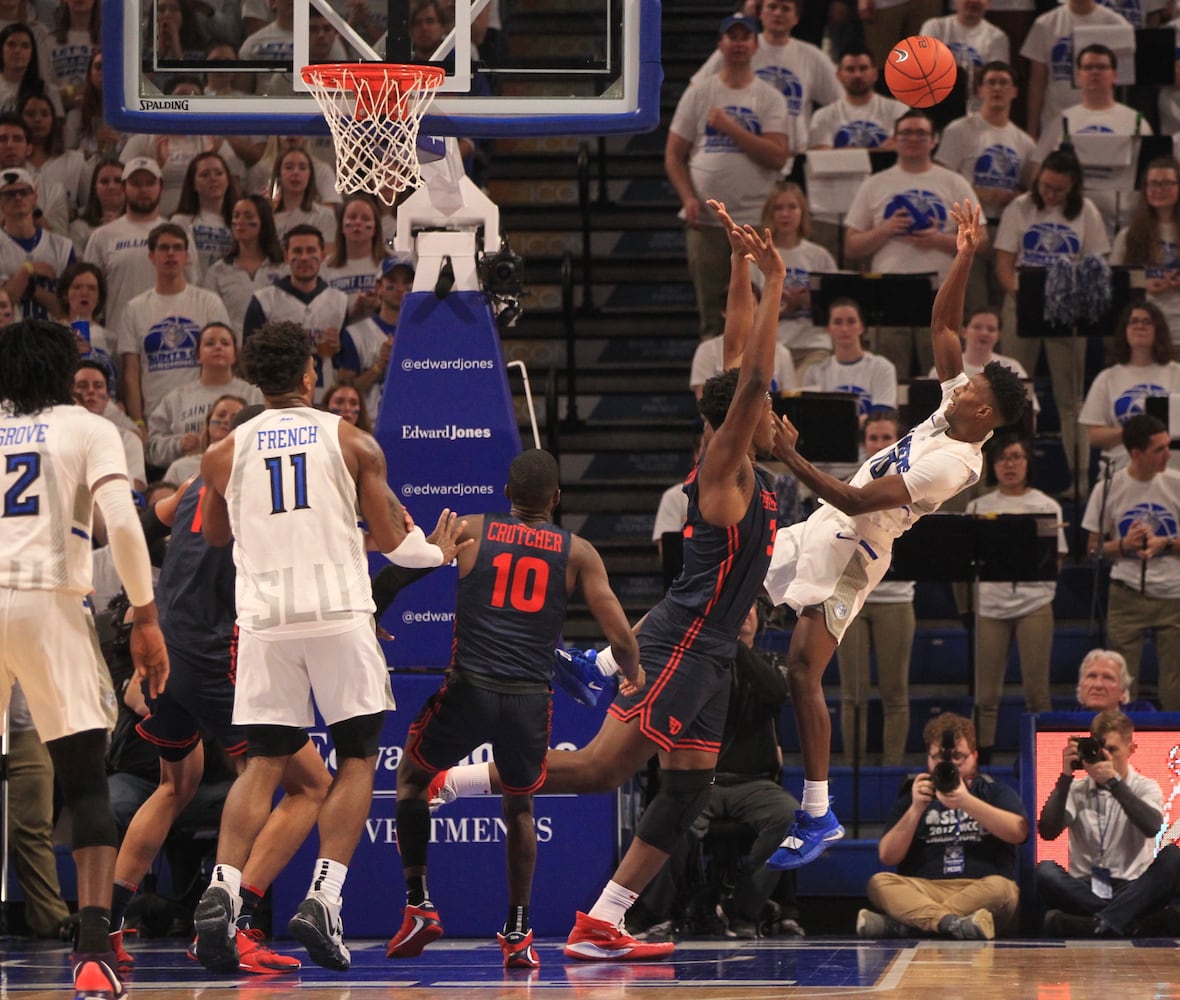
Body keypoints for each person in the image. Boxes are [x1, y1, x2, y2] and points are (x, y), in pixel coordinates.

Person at [432, 202, 786, 961]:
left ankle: (604, 920)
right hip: (683, 641)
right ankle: (454, 780)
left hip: (713, 650)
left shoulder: (743, 457)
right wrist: (778, 277)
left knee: (688, 786)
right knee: (598, 771)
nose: (774, 409)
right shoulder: (726, 468)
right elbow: (753, 371)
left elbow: (734, 355)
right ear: (742, 420)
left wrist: (736, 264)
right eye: (766, 406)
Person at [192, 319, 470, 972]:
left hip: (264, 618)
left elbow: (210, 535)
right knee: (355, 757)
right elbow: (395, 541)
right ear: (311, 376)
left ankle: (222, 887)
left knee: (263, 764)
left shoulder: (223, 452)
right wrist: (439, 552)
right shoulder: (351, 441)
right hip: (340, 613)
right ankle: (323, 896)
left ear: (255, 382)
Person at [761, 199, 1027, 870]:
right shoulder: (956, 407)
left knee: (802, 671)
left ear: (986, 412)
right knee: (733, 579)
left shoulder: (955, 464)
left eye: (972, 389)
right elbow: (942, 320)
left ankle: (818, 815)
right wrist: (964, 253)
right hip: (829, 524)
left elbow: (855, 496)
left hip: (859, 549)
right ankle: (614, 665)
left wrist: (788, 456)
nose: (960, 384)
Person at [386, 448, 641, 968]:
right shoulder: (579, 553)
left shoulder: (474, 527)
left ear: (507, 494)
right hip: (529, 701)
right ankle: (519, 930)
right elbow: (619, 634)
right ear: (556, 499)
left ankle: (419, 904)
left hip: (470, 688)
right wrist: (631, 673)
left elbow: (412, 567)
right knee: (521, 806)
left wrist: (373, 607)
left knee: (412, 779)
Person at [109, 433, 331, 976]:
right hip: (217, 662)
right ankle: (238, 916)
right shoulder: (271, 500)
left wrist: (144, 606)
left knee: (174, 785)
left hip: (164, 649)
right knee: (311, 785)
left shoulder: (191, 483)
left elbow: (145, 529)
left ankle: (107, 930)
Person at [0, 317, 169, 1000]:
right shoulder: (87, 426)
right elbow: (124, 522)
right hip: (46, 600)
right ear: (69, 372)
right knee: (85, 779)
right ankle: (94, 947)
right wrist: (146, 614)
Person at [625, 603, 802, 941]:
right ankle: (651, 912)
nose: (744, 615)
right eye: (739, 610)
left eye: (749, 611)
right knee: (671, 820)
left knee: (790, 816)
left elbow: (776, 693)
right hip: (701, 782)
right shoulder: (697, 666)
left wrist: (732, 643)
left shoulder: (773, 663)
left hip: (755, 783)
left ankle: (744, 910)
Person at [664, 13, 790, 340]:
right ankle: (719, 387)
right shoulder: (700, 93)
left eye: (744, 37)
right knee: (713, 314)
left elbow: (778, 156)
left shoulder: (769, 97)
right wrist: (688, 197)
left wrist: (730, 128)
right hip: (707, 223)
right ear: (721, 45)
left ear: (755, 45)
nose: (738, 43)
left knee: (760, 308)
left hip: (756, 222)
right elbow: (673, 155)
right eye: (731, 37)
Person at [993, 148, 1109, 489]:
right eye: (1045, 185)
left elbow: (1095, 266)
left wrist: (1063, 302)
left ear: (1073, 187)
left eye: (1058, 189)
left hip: (1067, 309)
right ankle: (1007, 479)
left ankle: (1081, 480)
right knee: (1012, 393)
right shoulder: (1021, 208)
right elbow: (1003, 263)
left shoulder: (1086, 211)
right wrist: (1023, 297)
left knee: (1070, 399)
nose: (1049, 193)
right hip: (1022, 300)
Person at [856, 712, 1028, 940]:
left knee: (1003, 890)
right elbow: (888, 856)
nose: (949, 764)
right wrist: (916, 808)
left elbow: (1019, 832)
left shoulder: (992, 791)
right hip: (926, 889)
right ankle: (951, 923)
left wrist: (966, 801)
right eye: (939, 757)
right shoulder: (914, 796)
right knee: (879, 882)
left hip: (981, 889)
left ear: (975, 756)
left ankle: (908, 925)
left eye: (958, 756)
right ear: (928, 758)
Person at [843, 109, 984, 379]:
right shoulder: (875, 184)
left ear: (934, 140)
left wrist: (937, 239)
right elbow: (851, 246)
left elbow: (981, 240)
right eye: (906, 133)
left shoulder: (953, 182)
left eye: (921, 133)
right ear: (894, 139)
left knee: (943, 374)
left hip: (941, 290)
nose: (913, 138)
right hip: (889, 292)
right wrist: (885, 229)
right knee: (890, 375)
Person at [966, 433, 1067, 759]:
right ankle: (981, 762)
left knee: (1037, 692)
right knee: (986, 695)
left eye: (1016, 457)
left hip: (1034, 604)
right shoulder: (979, 506)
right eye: (1002, 459)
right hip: (991, 606)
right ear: (992, 466)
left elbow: (1057, 560)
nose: (1009, 464)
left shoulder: (1046, 506)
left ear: (1027, 462)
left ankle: (1047, 760)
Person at [1037, 710, 1179, 936]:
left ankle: (1095, 924)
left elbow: (1151, 827)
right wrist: (1065, 777)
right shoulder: (1076, 790)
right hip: (1085, 888)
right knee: (1045, 871)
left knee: (1173, 856)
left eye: (1113, 750)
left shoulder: (1145, 786)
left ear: (1131, 750)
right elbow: (1048, 831)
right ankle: (1124, 922)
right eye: (1100, 750)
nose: (1106, 757)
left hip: (1133, 887)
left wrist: (1114, 783)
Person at [1082, 414, 1180, 710]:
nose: (1168, 454)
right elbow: (1092, 549)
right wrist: (1125, 545)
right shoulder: (1108, 487)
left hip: (1173, 594)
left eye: (1168, 446)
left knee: (1174, 683)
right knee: (1122, 683)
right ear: (1136, 453)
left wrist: (1168, 543)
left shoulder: (1176, 483)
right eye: (1159, 449)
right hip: (1126, 595)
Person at [835, 409, 915, 767]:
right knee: (853, 692)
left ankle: (891, 772)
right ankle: (854, 773)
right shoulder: (846, 482)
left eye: (887, 438)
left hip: (895, 599)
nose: (880, 445)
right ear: (863, 443)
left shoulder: (919, 482)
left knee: (895, 692)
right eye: (874, 438)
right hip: (849, 594)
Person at [934, 61, 1034, 313]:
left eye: (1004, 83)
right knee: (972, 302)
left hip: (1006, 230)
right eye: (991, 82)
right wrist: (980, 193)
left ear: (1014, 92)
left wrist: (1013, 196)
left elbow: (1032, 191)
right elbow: (941, 178)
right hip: (970, 227)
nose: (997, 88)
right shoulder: (959, 131)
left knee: (1001, 304)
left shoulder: (1024, 141)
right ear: (980, 90)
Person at [114, 222, 231, 428]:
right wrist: (138, 422)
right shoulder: (134, 308)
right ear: (151, 256)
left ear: (186, 257)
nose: (171, 253)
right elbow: (131, 374)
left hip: (204, 414)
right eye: (163, 248)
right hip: (157, 416)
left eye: (177, 248)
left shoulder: (209, 302)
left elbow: (225, 362)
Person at [1028, 44, 1152, 238]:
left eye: (1102, 67)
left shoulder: (1136, 121)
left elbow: (1150, 173)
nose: (1095, 72)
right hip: (1072, 221)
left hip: (1124, 222)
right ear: (1078, 76)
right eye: (1088, 67)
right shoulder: (1062, 120)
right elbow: (1038, 170)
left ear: (1115, 75)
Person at [689, 0, 840, 156]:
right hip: (743, 153)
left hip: (794, 156)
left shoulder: (812, 56)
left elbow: (841, 102)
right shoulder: (739, 47)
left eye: (785, 9)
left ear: (796, 18)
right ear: (760, 13)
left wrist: (821, 139)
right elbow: (696, 88)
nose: (777, 13)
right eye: (772, 7)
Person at [241, 223, 348, 404]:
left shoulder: (339, 301)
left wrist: (339, 349)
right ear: (286, 256)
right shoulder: (264, 300)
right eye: (297, 251)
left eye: (311, 250)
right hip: (278, 397)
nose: (304, 257)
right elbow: (250, 358)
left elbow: (348, 363)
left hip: (326, 395)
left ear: (322, 256)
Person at [748, 181, 836, 379]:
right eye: (778, 208)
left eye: (792, 207)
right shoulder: (757, 257)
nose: (785, 214)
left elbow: (836, 305)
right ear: (769, 213)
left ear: (802, 212)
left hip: (814, 345)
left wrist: (808, 301)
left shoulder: (819, 255)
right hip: (773, 346)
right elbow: (746, 308)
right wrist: (779, 310)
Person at [1079, 302, 1180, 473]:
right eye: (1133, 321)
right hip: (1121, 468)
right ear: (1124, 330)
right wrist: (1133, 432)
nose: (1140, 326)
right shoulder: (1107, 378)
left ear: (1159, 330)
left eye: (1147, 322)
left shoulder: (1176, 373)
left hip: (1171, 470)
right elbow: (1094, 436)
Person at [146, 321, 260, 471]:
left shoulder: (253, 394)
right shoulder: (176, 398)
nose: (218, 347)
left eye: (225, 343)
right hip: (188, 473)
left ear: (235, 356)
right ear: (197, 355)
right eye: (210, 343)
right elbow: (151, 449)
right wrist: (178, 445)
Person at [1019, 0, 1130, 140]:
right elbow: (1037, 82)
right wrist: (1032, 131)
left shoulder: (1115, 23)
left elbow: (1123, 79)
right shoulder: (1045, 23)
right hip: (1055, 119)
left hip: (1100, 122)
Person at [1111, 157, 1180, 351]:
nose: (1158, 189)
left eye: (1166, 183)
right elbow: (1115, 281)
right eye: (1152, 183)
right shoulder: (1128, 235)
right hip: (1144, 333)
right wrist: (1144, 284)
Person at [200, 194, 286, 337]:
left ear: (264, 221)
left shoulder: (283, 268)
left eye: (248, 216)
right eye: (236, 216)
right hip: (233, 351)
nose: (240, 221)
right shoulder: (218, 271)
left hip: (274, 351)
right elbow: (208, 316)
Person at [337, 255, 411, 418]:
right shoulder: (356, 333)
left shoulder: (422, 334)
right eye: (392, 282)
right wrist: (380, 364)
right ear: (379, 287)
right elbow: (350, 389)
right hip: (371, 422)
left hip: (411, 423)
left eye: (407, 283)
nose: (400, 289)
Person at [0, 164, 73, 321]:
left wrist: (29, 288)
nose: (18, 198)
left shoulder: (62, 247)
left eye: (24, 192)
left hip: (53, 339)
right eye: (9, 194)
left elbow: (70, 310)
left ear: (35, 196)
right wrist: (28, 269)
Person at [806, 45, 906, 151]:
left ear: (875, 74)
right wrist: (878, 150)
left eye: (863, 68)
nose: (857, 75)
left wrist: (842, 151)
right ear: (839, 76)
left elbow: (906, 149)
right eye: (850, 69)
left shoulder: (898, 110)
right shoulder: (823, 116)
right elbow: (822, 157)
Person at [72, 359, 146, 491]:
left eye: (98, 386)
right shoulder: (58, 437)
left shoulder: (128, 439)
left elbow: (137, 486)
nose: (90, 391)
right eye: (82, 385)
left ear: (107, 397)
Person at [169, 151, 240, 273]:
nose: (213, 179)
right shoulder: (180, 222)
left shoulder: (240, 221)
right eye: (205, 175)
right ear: (193, 184)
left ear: (228, 180)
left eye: (219, 173)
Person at [161, 393, 246, 485]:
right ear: (208, 421)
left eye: (234, 419)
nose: (226, 420)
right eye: (221, 415)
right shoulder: (180, 468)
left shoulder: (247, 467)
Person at [1075, 648, 1155, 713]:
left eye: (1108, 678)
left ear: (1122, 692)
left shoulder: (1144, 714)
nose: (1098, 685)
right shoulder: (1066, 722)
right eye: (1091, 676)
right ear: (1080, 687)